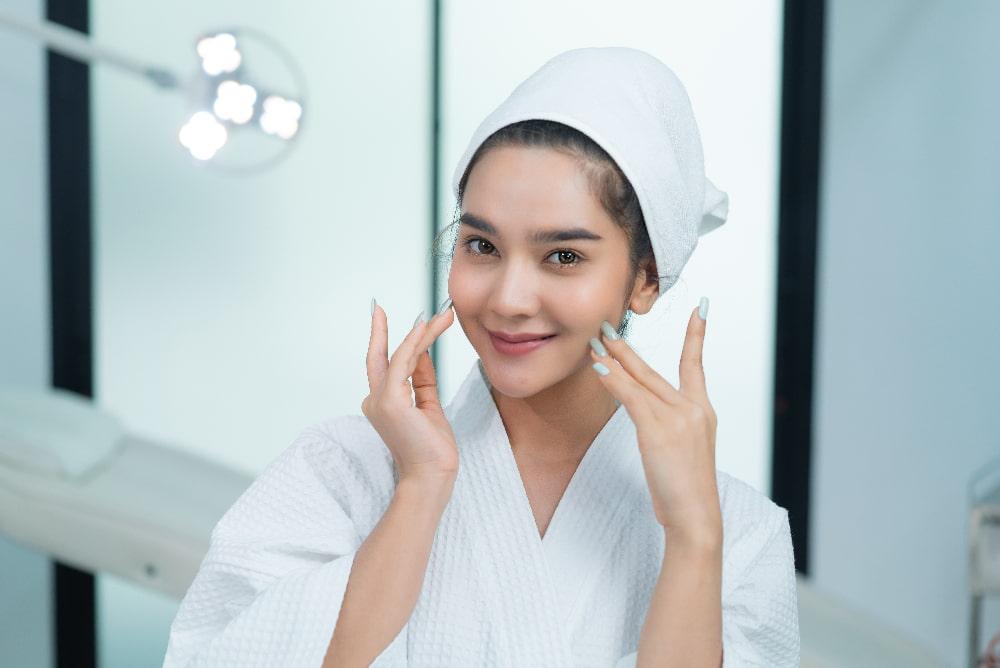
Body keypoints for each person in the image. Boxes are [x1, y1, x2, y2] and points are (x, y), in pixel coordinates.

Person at [163, 47, 799, 667]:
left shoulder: (739, 533)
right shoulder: (340, 474)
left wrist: (691, 539)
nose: (509, 299)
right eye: (482, 246)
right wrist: (421, 487)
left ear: (646, 278)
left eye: (564, 256)